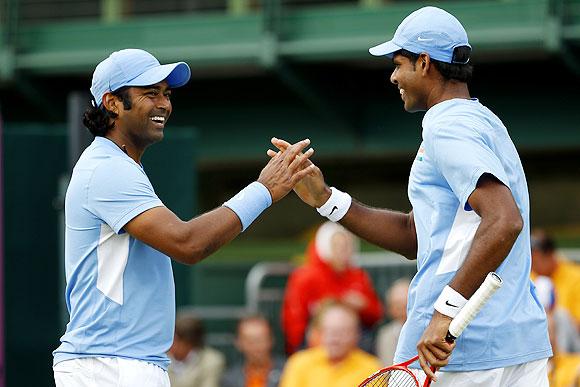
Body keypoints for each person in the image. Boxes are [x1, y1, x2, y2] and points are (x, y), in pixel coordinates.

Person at [270, 6, 551, 386]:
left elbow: (505, 220)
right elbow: (412, 234)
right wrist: (326, 199)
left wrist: (445, 311)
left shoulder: (446, 126)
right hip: (516, 344)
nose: (393, 76)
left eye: (398, 63)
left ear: (423, 63)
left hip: (461, 352)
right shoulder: (483, 122)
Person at [52, 48, 315, 387]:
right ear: (112, 102)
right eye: (150, 93)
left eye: (166, 93)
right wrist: (264, 190)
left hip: (120, 363)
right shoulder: (106, 169)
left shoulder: (118, 165)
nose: (164, 103)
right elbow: (188, 243)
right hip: (111, 365)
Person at [281, 221, 383, 354]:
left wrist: (362, 306)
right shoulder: (305, 276)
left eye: (347, 246)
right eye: (337, 246)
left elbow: (376, 313)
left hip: (355, 343)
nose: (343, 251)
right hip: (315, 344)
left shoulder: (358, 275)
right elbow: (294, 321)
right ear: (325, 246)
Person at [279, 301, 381, 387]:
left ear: (356, 335)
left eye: (342, 331)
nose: (334, 337)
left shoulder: (371, 368)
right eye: (329, 331)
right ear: (320, 333)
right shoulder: (299, 363)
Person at [531, 229, 580, 330]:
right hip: (540, 337)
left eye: (535, 261)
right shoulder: (530, 277)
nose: (532, 266)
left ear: (550, 255)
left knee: (560, 316)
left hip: (571, 341)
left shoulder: (576, 276)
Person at [221, 315, 285, 387]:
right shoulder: (230, 378)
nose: (256, 346)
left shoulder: (289, 370)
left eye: (261, 340)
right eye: (250, 341)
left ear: (271, 340)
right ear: (238, 343)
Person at [168, 314, 225, 387]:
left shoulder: (212, 361)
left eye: (175, 340)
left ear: (188, 342)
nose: (170, 344)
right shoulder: (161, 359)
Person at [375, 277, 410, 365]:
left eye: (406, 304)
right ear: (390, 309)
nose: (403, 310)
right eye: (397, 305)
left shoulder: (431, 329)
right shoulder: (386, 335)